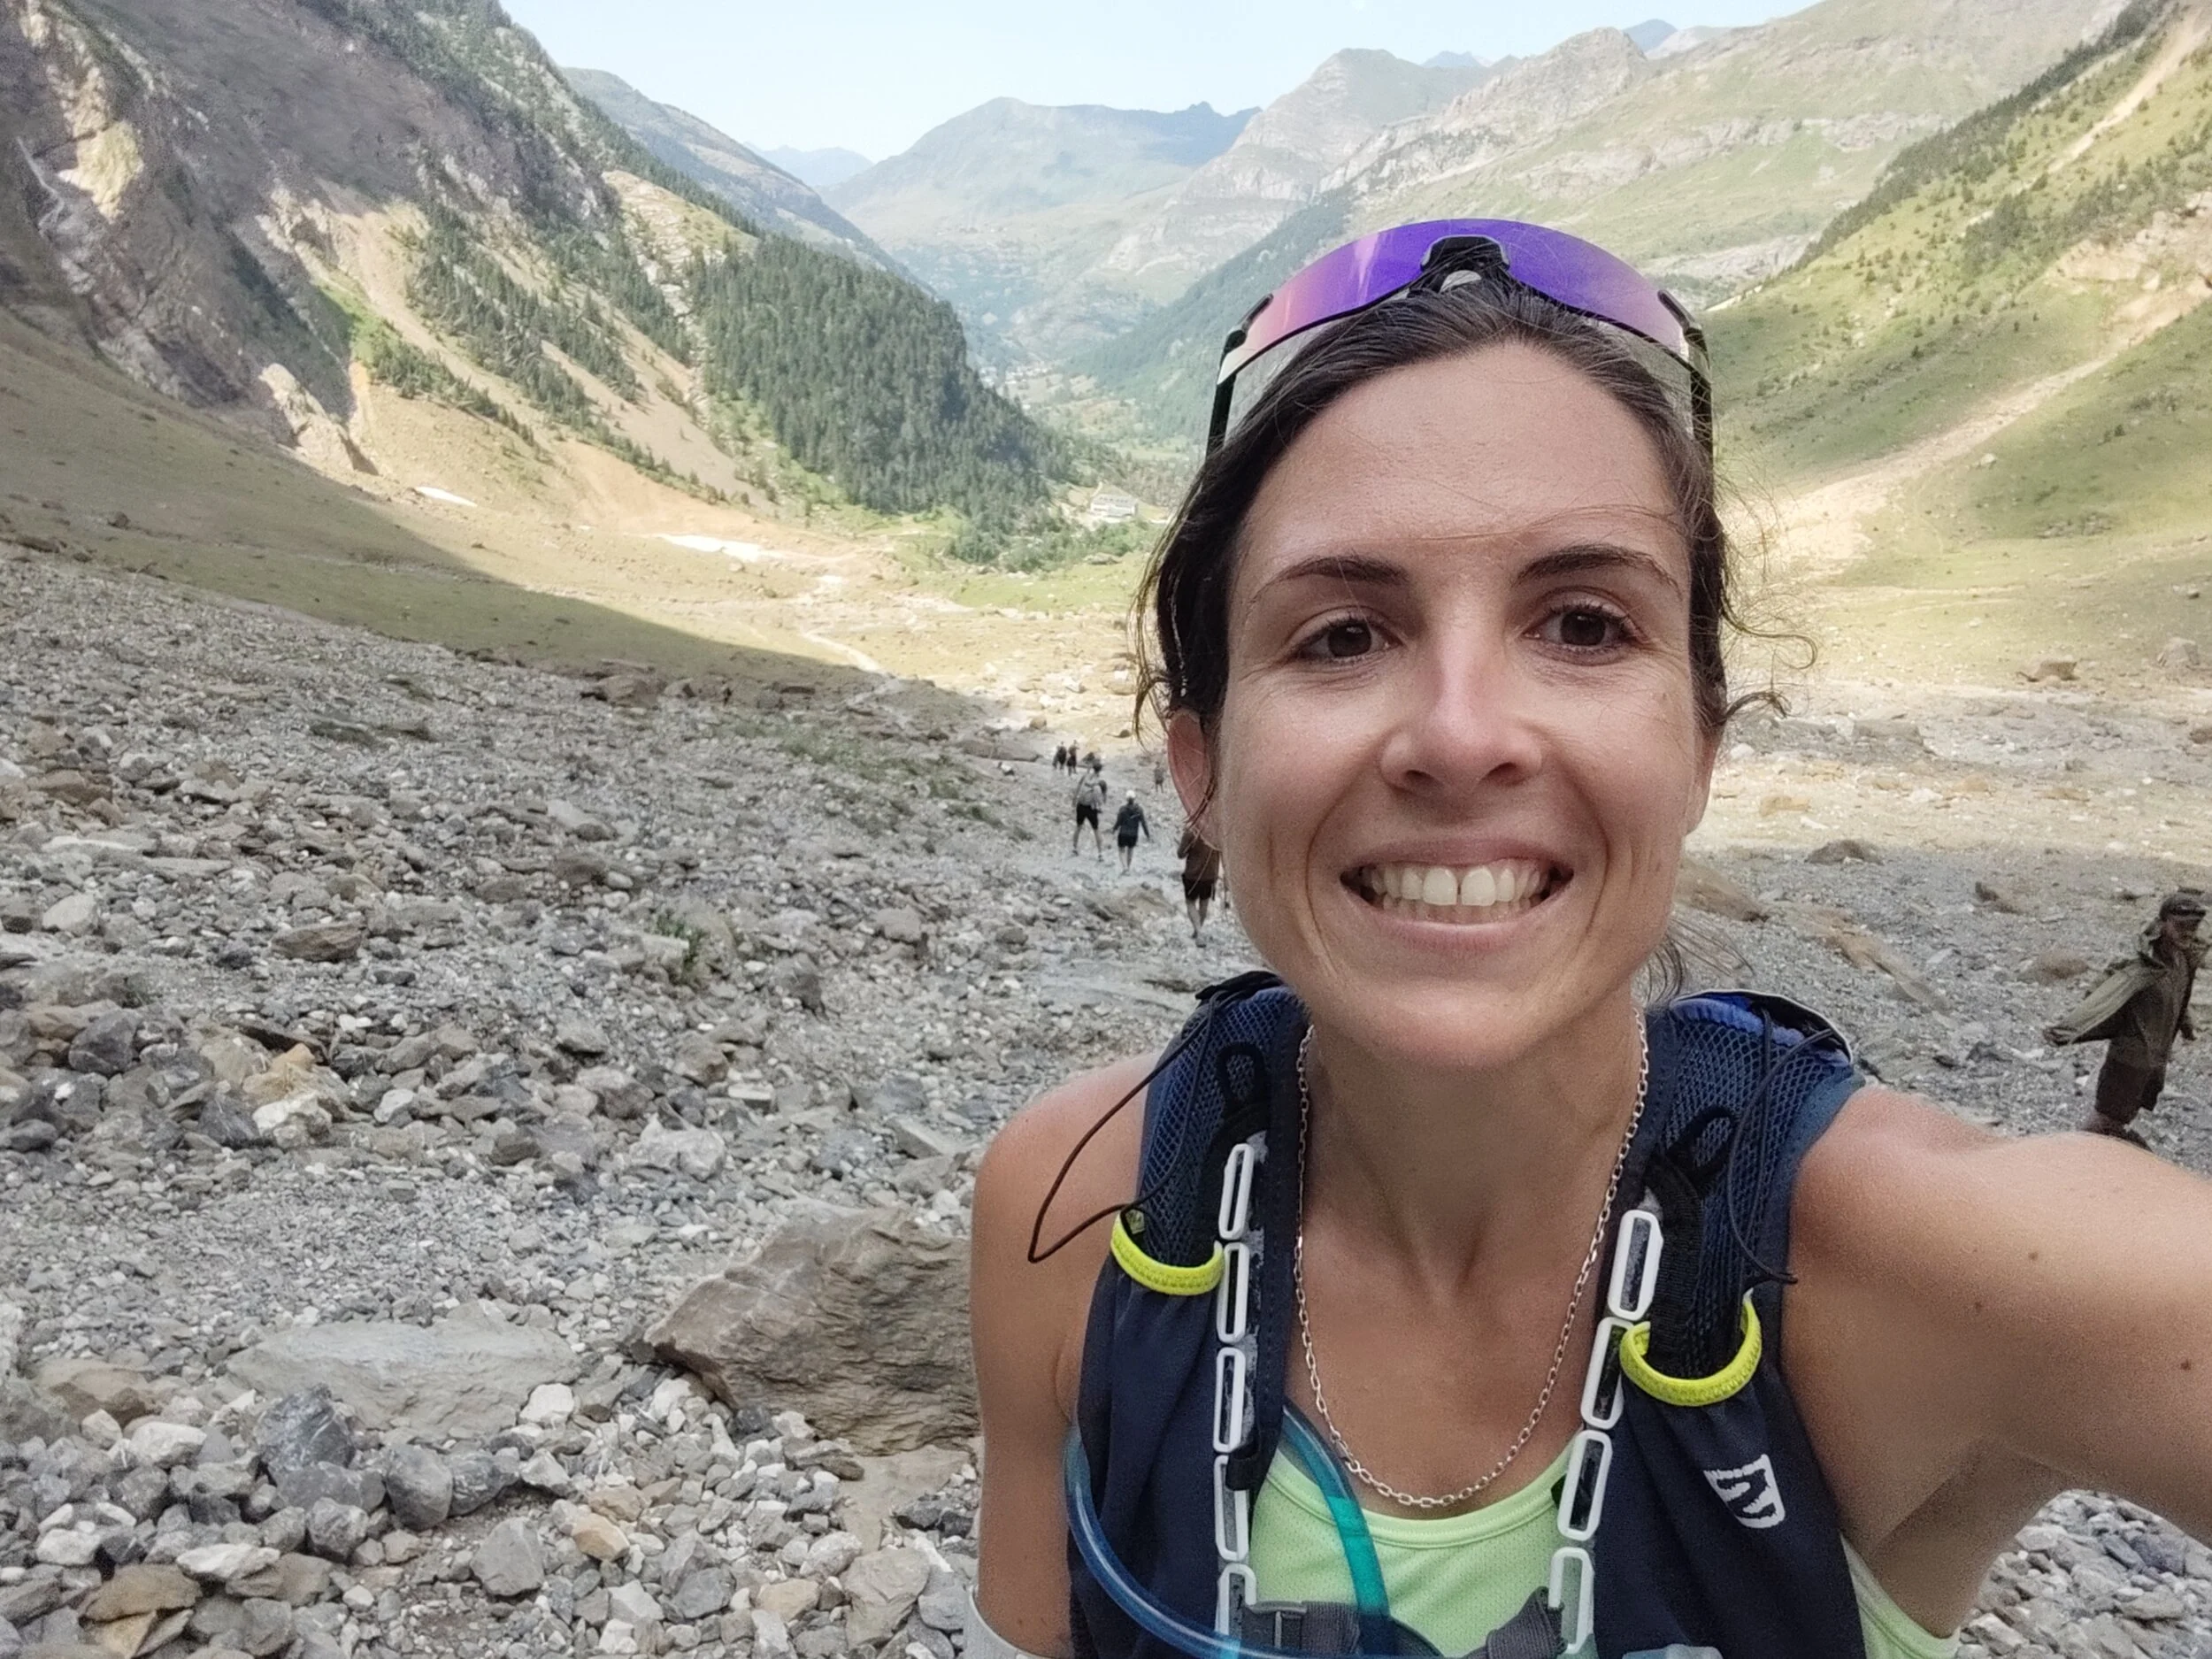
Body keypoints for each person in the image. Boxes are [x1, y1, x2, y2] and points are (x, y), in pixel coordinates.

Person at [967, 218, 2212, 1659]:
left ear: (1698, 745)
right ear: (1201, 765)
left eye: (1582, 622)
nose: (1460, 735)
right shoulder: (1066, 1213)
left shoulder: (1949, 1268)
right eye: (1340, 637)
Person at [2046, 890, 2204, 1141]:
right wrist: (2070, 1028)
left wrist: (2186, 1023)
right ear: (2162, 924)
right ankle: (2065, 1159)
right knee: (2105, 1119)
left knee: (2124, 1117)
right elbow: (2099, 994)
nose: (2188, 932)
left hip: (2155, 1059)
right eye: (2181, 926)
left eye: (2194, 926)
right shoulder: (2139, 965)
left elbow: (2178, 996)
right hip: (2128, 1060)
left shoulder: (2181, 961)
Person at [1177, 822, 1221, 942]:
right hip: (1210, 874)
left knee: (1190, 902)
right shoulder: (1217, 831)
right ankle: (1198, 931)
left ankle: (1199, 932)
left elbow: (1181, 854)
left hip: (1193, 874)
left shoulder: (1192, 831)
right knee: (1204, 903)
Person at [1071, 764, 1108, 857]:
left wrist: (1074, 800)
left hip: (1081, 805)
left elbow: (1078, 788)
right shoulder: (1100, 781)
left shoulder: (1085, 777)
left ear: (1092, 768)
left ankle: (1074, 848)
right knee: (1096, 829)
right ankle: (1100, 853)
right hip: (1091, 808)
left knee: (1078, 827)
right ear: (1100, 770)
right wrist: (1101, 806)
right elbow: (1103, 798)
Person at [1114, 792, 1151, 872]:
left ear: (1126, 799)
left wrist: (1114, 829)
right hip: (1133, 834)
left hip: (1123, 833)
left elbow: (1118, 822)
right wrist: (1147, 834)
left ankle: (1124, 867)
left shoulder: (1122, 809)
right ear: (1134, 799)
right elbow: (1143, 823)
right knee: (1130, 850)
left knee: (1121, 850)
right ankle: (1128, 866)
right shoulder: (1139, 810)